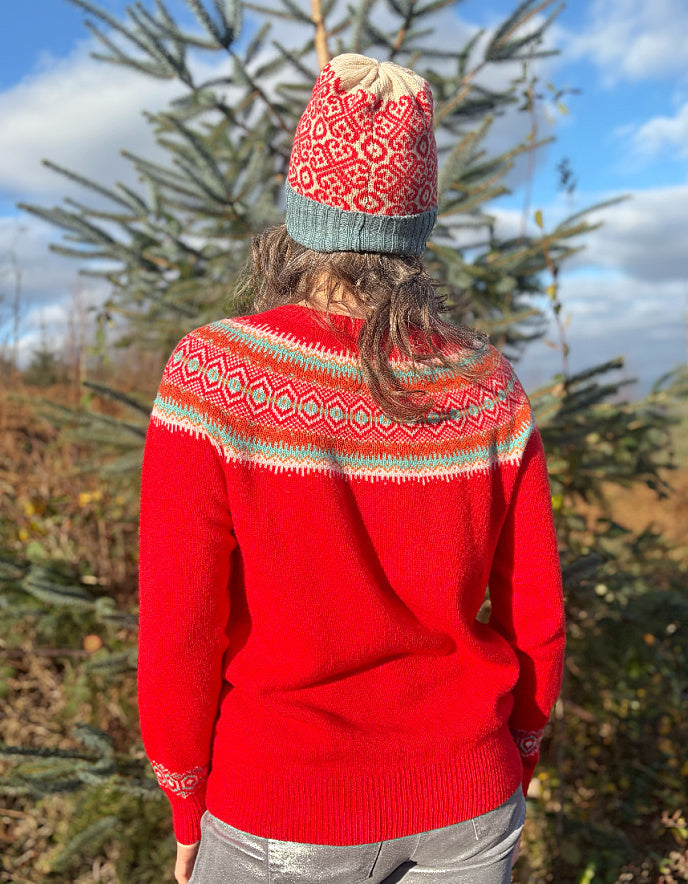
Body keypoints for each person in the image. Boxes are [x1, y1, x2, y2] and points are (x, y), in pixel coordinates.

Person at [137, 53, 566, 884]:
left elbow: (181, 623)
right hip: (471, 806)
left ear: (299, 214)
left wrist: (185, 796)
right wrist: (516, 757)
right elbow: (537, 618)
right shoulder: (488, 387)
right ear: (417, 228)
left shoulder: (215, 374)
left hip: (281, 808)